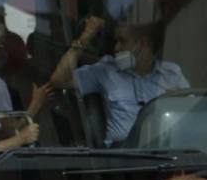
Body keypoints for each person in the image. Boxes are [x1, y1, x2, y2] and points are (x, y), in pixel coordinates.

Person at [48, 15, 191, 146]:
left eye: (122, 41)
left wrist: (178, 105)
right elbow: (58, 80)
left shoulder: (171, 74)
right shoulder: (106, 70)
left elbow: (192, 115)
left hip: (165, 155)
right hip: (123, 162)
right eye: (116, 41)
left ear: (142, 44)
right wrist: (84, 38)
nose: (116, 48)